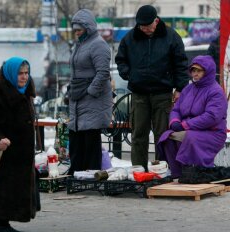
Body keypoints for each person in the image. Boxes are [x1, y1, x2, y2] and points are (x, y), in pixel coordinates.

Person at [115, 5, 189, 171]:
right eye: (142, 27)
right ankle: (138, 171)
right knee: (138, 135)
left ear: (156, 21)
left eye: (148, 26)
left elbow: (181, 64)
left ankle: (161, 171)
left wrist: (180, 88)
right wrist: (129, 74)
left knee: (162, 135)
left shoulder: (171, 37)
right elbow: (121, 60)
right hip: (139, 94)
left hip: (162, 94)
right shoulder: (130, 38)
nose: (145, 30)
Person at [0, 57, 40, 232]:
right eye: (20, 73)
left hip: (18, 150)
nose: (24, 77)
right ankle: (1, 224)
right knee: (3, 185)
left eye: (26, 73)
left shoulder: (24, 91)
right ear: (12, 73)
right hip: (1, 149)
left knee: (15, 184)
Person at [157, 55, 227, 179]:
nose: (195, 74)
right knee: (167, 137)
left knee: (188, 137)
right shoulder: (188, 89)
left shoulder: (216, 91)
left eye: (199, 70)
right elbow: (176, 109)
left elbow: (211, 117)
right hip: (191, 129)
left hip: (212, 132)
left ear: (208, 71)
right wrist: (174, 122)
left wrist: (185, 125)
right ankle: (177, 174)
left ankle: (194, 173)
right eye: (193, 70)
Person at [67, 9, 112, 175]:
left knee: (90, 136)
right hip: (79, 96)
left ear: (88, 27)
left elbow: (103, 72)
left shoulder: (98, 44)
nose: (77, 32)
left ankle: (92, 173)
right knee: (76, 135)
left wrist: (91, 91)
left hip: (93, 98)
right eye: (75, 30)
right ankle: (77, 171)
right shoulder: (81, 44)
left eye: (79, 29)